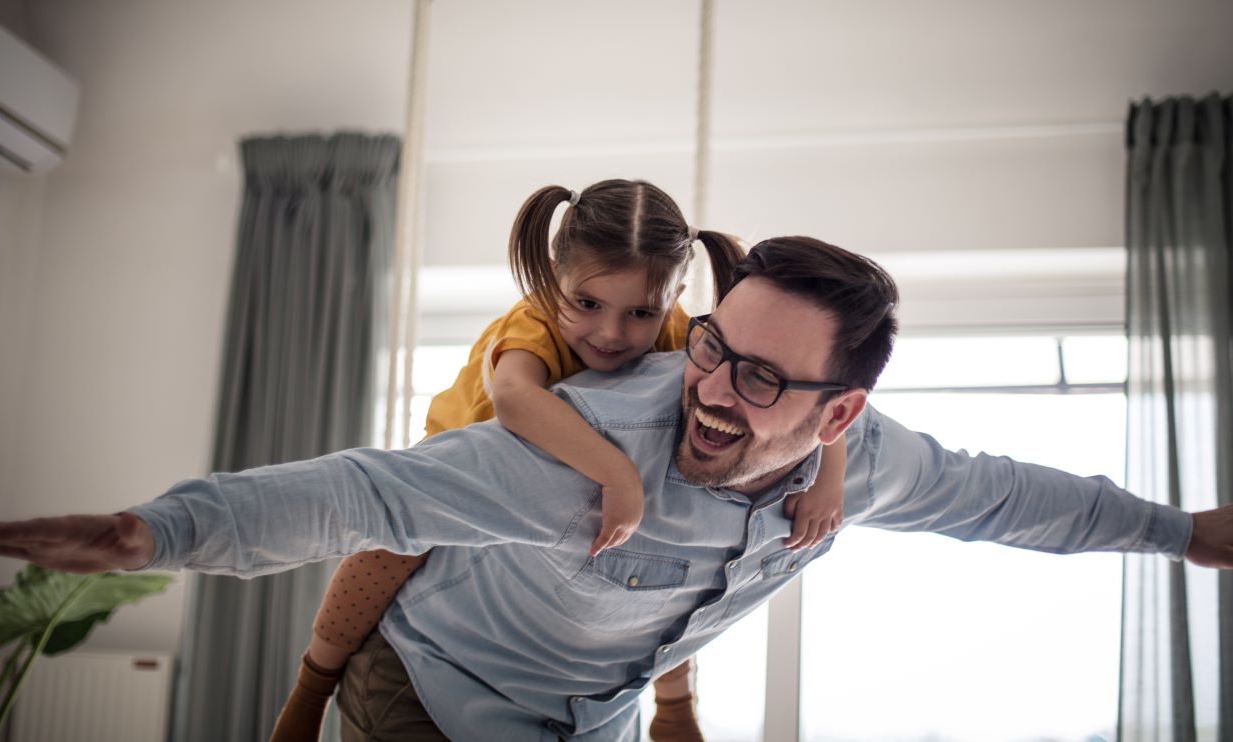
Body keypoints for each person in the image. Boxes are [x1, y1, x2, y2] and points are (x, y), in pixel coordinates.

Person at [0, 236, 1233, 742]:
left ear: (841, 412)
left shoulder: (872, 458)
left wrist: (1181, 534)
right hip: (434, 693)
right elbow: (364, 494)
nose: (711, 387)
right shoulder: (579, 456)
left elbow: (1016, 501)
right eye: (710, 347)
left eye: (762, 380)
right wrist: (158, 529)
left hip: (597, 717)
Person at [270, 179, 848, 742]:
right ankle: (311, 685)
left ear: (674, 298)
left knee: (671, 562)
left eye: (642, 313)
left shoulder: (684, 336)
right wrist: (616, 472)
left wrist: (828, 471)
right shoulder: (536, 319)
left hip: (576, 482)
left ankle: (673, 704)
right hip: (472, 454)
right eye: (588, 303)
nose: (611, 332)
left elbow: (810, 389)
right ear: (553, 281)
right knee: (392, 545)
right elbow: (515, 400)